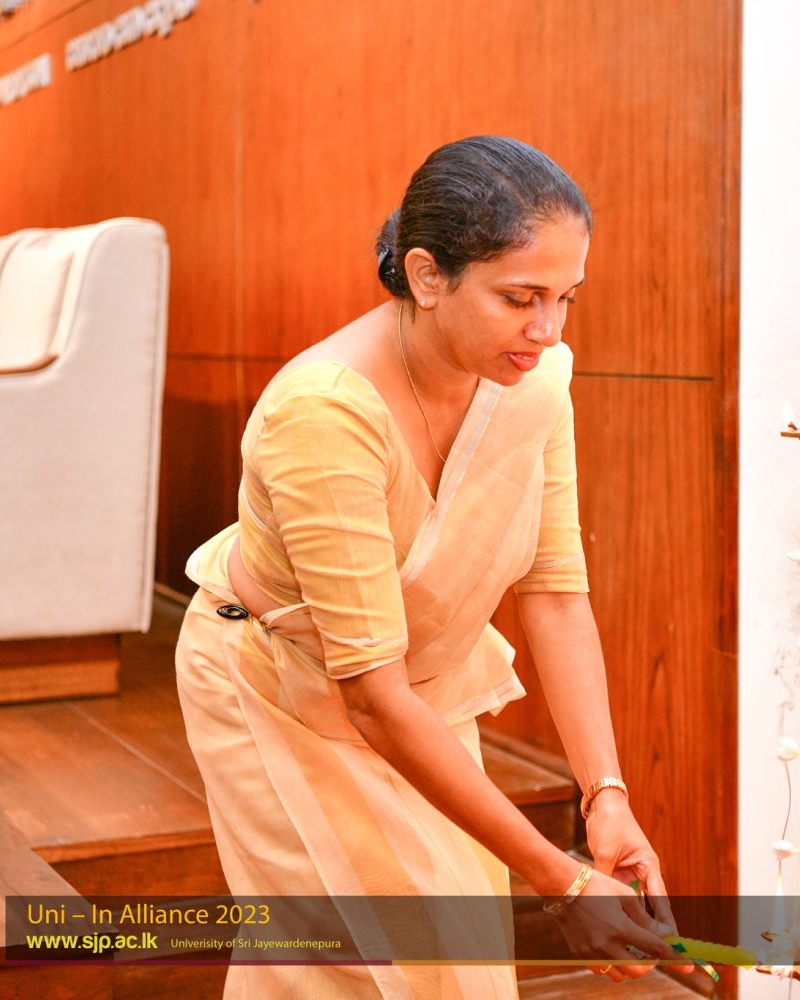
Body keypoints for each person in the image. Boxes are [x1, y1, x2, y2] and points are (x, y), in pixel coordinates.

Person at [175, 135, 686, 998]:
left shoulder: (533, 380)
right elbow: (372, 694)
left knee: (460, 962)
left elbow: (556, 593)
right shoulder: (323, 414)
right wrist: (562, 884)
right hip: (278, 686)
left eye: (565, 298)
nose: (548, 330)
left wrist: (606, 797)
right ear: (426, 276)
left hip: (420, 697)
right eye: (520, 298)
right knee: (353, 971)